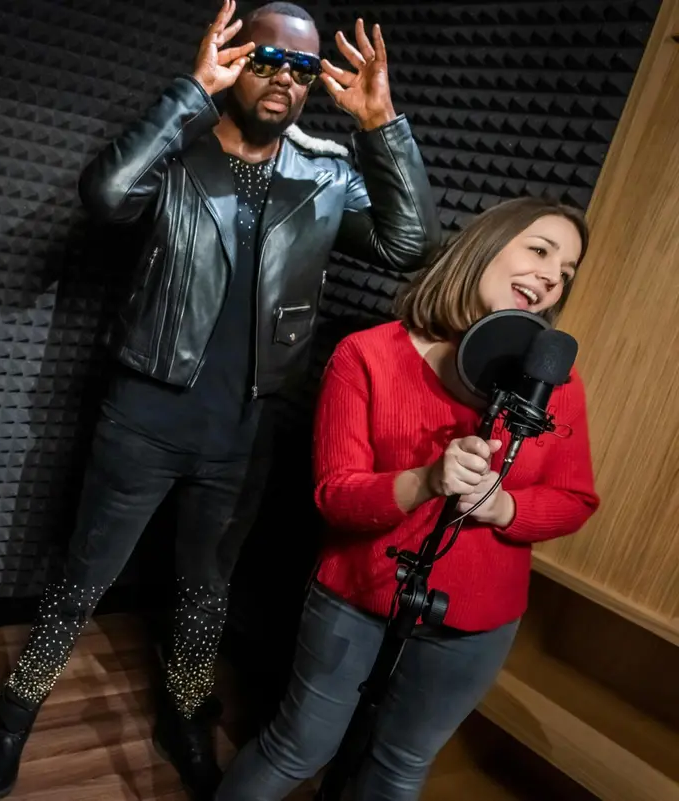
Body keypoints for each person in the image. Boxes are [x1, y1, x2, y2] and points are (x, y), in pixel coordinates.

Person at [0, 2, 440, 798]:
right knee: (85, 575)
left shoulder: (325, 175)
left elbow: (409, 244)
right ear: (233, 56)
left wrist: (381, 124)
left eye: (301, 68)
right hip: (143, 416)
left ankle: (185, 713)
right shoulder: (177, 155)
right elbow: (108, 195)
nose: (283, 79)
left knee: (204, 590)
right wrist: (191, 90)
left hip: (243, 432)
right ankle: (17, 710)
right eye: (267, 58)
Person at [214, 197, 601, 800]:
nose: (553, 276)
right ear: (485, 248)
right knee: (300, 747)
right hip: (358, 595)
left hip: (478, 620)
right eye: (541, 250)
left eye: (568, 271)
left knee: (399, 766)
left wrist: (506, 509)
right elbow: (334, 496)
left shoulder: (558, 384)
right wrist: (427, 481)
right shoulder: (368, 355)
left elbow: (576, 499)